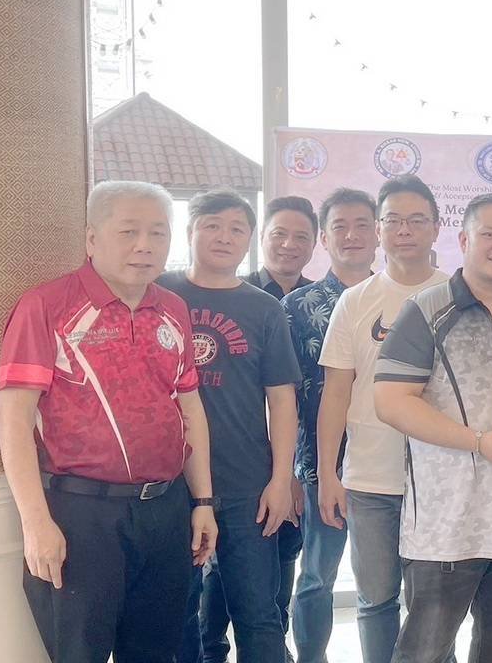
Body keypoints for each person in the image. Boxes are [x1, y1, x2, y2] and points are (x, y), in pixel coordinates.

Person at [0, 181, 217, 663]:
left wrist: (202, 501)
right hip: (80, 514)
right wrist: (36, 523)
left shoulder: (173, 309)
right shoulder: (46, 306)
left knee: (157, 651)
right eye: (129, 231)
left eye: (158, 233)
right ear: (92, 238)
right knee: (80, 653)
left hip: (165, 509)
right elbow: (13, 419)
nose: (145, 245)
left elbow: (190, 408)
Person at [374, 193, 492, 663]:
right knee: (423, 654)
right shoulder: (425, 310)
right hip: (445, 525)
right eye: (489, 234)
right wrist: (477, 442)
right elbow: (391, 402)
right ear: (463, 240)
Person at [160, 189, 300, 663]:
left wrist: (280, 480)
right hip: (170, 484)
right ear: (190, 231)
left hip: (247, 484)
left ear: (249, 239)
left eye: (237, 229)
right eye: (212, 225)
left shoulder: (264, 308)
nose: (224, 237)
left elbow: (282, 399)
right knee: (176, 613)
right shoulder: (159, 294)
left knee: (258, 613)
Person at [315, 176, 451, 663]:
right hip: (370, 480)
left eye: (416, 220)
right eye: (393, 220)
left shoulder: (458, 296)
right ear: (379, 229)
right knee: (375, 600)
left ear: (437, 227)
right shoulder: (355, 300)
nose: (404, 230)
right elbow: (336, 393)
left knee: (434, 606)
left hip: (443, 479)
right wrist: (328, 474)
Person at [281, 188, 379, 663]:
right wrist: (291, 473)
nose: (352, 235)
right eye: (340, 226)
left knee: (387, 582)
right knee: (317, 576)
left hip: (391, 468)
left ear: (378, 233)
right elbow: (283, 399)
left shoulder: (404, 301)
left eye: (362, 225)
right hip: (321, 468)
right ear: (324, 237)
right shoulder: (296, 306)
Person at [232, 194, 317, 658]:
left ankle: (276, 649)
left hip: (299, 461)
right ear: (261, 238)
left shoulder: (318, 304)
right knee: (222, 574)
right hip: (240, 461)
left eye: (301, 236)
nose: (289, 244)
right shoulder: (234, 295)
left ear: (314, 244)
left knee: (283, 558)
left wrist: (295, 472)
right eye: (279, 234)